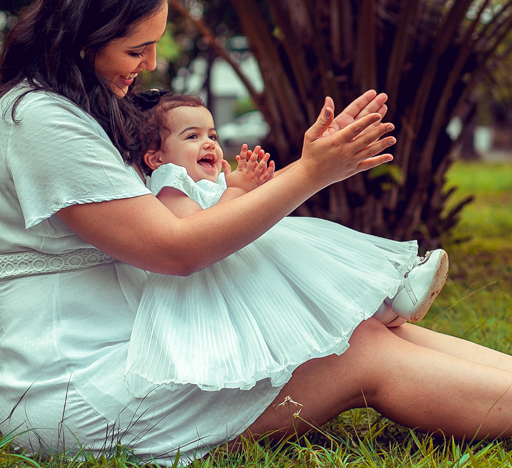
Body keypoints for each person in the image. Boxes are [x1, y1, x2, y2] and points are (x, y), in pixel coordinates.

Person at [0, 0, 512, 465]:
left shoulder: (67, 109)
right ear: (83, 32)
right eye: (136, 49)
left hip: (131, 356)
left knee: (362, 328)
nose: (150, 66)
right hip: (77, 396)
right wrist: (312, 172)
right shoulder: (39, 121)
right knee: (359, 355)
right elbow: (173, 250)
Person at [121, 92, 451, 396]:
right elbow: (197, 230)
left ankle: (389, 306)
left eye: (212, 135)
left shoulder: (211, 179)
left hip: (238, 271)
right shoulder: (170, 182)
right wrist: (238, 190)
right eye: (192, 136)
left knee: (309, 250)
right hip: (209, 287)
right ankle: (390, 298)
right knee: (299, 251)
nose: (208, 144)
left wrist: (251, 184)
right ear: (155, 158)